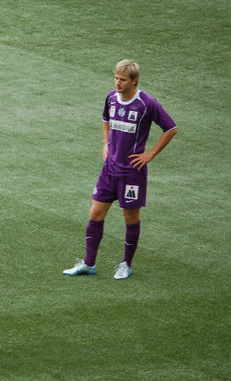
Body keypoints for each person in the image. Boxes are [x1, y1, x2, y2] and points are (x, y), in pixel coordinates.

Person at [63, 60, 178, 279]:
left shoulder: (146, 104)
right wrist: (106, 142)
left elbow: (171, 128)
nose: (117, 83)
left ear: (134, 81)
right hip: (109, 169)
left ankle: (126, 263)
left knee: (130, 216)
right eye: (116, 78)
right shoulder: (111, 98)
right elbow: (106, 119)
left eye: (123, 79)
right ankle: (89, 263)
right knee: (95, 213)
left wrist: (150, 154)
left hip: (132, 172)